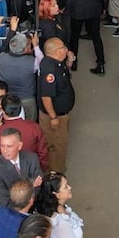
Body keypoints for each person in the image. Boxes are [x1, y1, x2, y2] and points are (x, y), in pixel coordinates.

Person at [36, 171, 92, 238]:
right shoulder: (60, 223)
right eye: (65, 187)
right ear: (55, 194)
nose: (70, 187)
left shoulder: (51, 209)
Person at [61, 0, 109, 75]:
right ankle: (101, 63)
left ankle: (74, 62)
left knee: (74, 37)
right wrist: (104, 7)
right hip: (94, 9)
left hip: (77, 9)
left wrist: (61, 5)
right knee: (96, 36)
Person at [38, 37, 75, 173]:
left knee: (60, 143)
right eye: (62, 47)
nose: (65, 49)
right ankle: (55, 173)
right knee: (56, 144)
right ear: (55, 51)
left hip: (61, 114)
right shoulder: (49, 69)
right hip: (55, 116)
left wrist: (69, 61)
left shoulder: (57, 63)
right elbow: (46, 96)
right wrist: (53, 117)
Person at [0, 94, 48, 171]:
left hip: (6, 173)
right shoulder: (34, 127)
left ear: (3, 111)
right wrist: (41, 170)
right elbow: (43, 153)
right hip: (31, 171)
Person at [0, 128, 44, 209]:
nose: (5, 150)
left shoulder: (31, 158)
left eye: (9, 146)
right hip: (12, 213)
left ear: (19, 146)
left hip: (34, 208)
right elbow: (3, 201)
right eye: (2, 146)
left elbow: (39, 187)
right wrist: (31, 186)